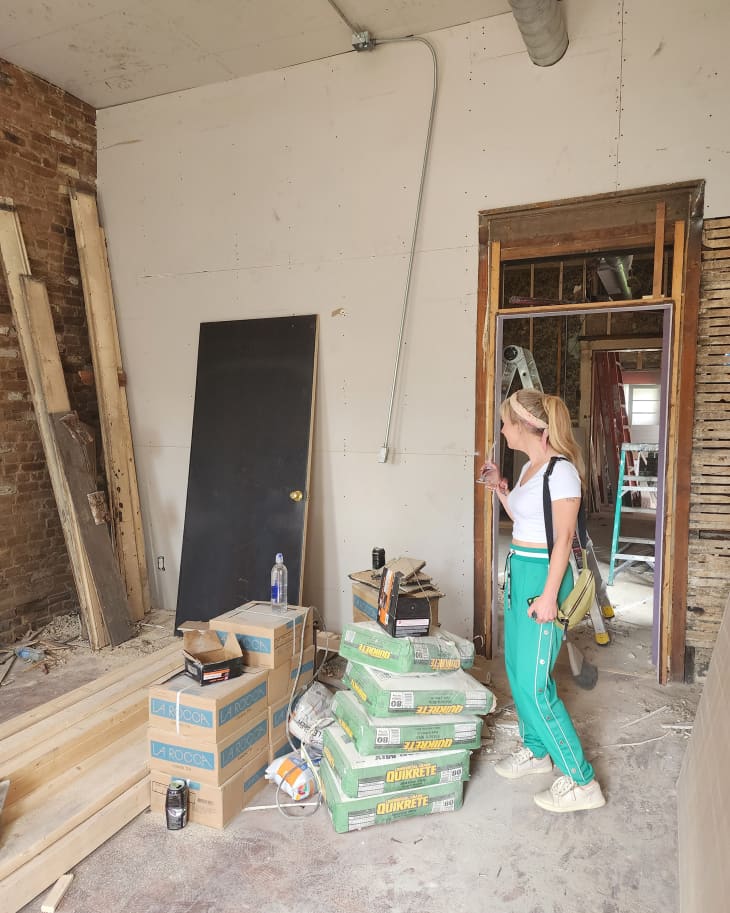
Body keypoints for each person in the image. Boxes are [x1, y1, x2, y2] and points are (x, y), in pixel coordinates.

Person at [481, 388, 605, 813]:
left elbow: (564, 539)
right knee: (516, 670)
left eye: (506, 423)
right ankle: (537, 751)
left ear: (526, 427)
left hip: (545, 578)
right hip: (520, 571)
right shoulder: (531, 469)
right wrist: (501, 488)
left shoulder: (562, 472)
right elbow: (524, 518)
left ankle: (580, 779)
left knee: (536, 684)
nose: (502, 429)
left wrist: (550, 596)